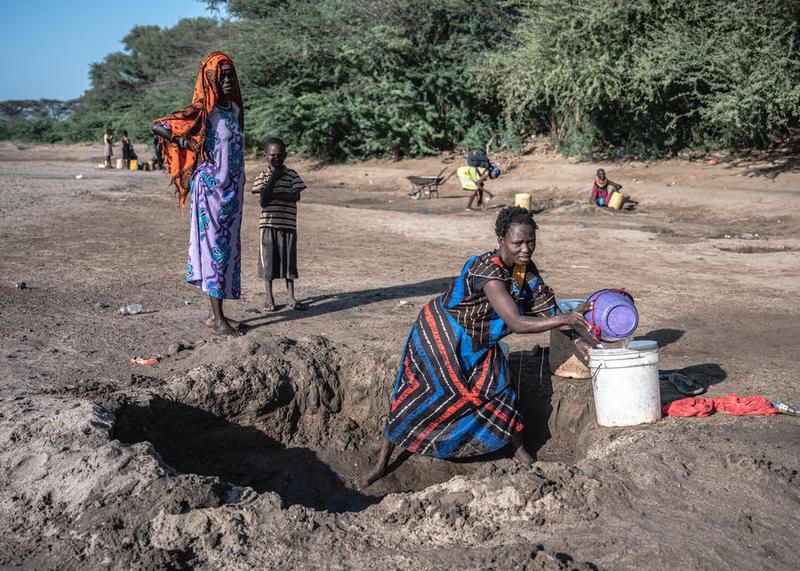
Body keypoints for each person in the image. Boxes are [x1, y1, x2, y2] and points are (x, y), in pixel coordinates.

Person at [360, 206, 592, 488]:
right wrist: (566, 318)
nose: (525, 249)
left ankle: (519, 451)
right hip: (441, 335)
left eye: (531, 241)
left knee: (501, 388)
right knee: (418, 397)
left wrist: (578, 338)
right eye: (517, 242)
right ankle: (381, 463)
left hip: (480, 339)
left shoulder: (524, 271)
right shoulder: (488, 272)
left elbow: (548, 311)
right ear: (500, 240)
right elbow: (517, 323)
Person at [152, 52, 245, 337]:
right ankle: (218, 319)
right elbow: (159, 125)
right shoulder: (203, 112)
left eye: (230, 75)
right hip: (210, 192)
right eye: (222, 76)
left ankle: (213, 315)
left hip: (232, 193)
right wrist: (185, 142)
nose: (227, 81)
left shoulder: (236, 111)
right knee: (214, 250)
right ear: (211, 79)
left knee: (227, 250)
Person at [250, 137, 307, 312]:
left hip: (288, 225)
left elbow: (296, 196)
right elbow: (263, 201)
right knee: (268, 264)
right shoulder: (263, 176)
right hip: (268, 226)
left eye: (280, 155)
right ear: (265, 155)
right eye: (273, 155)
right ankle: (269, 297)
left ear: (286, 155)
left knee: (288, 263)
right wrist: (274, 178)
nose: (277, 158)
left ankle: (291, 296)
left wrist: (272, 194)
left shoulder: (292, 174)